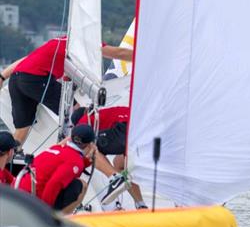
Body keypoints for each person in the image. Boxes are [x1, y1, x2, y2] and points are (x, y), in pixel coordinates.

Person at [0, 37, 133, 144]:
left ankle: (6, 158)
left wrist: (2, 76)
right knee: (75, 112)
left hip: (16, 80)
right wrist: (143, 56)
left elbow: (25, 59)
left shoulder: (60, 40)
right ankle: (75, 148)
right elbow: (118, 53)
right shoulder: (82, 45)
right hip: (35, 79)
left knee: (22, 129)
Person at [70, 105, 146, 208]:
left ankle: (115, 178)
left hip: (124, 130)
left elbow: (74, 142)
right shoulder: (110, 113)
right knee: (118, 164)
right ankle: (140, 204)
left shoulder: (86, 118)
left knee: (88, 147)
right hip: (143, 131)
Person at [16, 124, 97, 214]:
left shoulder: (57, 148)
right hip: (33, 200)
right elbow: (54, 184)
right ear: (89, 145)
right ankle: (59, 221)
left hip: (18, 193)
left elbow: (71, 165)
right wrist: (46, 213)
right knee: (82, 185)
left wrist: (88, 159)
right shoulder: (75, 161)